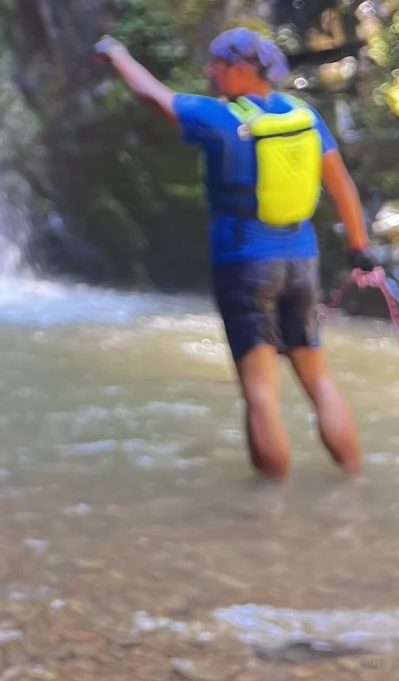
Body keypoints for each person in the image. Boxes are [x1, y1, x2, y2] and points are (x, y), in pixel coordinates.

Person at [96, 26, 373, 480]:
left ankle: (269, 504)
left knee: (261, 394)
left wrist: (118, 55)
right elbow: (342, 185)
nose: (209, 72)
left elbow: (153, 97)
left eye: (217, 65)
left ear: (242, 70)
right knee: (319, 379)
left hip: (246, 267)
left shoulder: (219, 119)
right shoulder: (303, 116)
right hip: (301, 264)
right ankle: (352, 480)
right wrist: (359, 248)